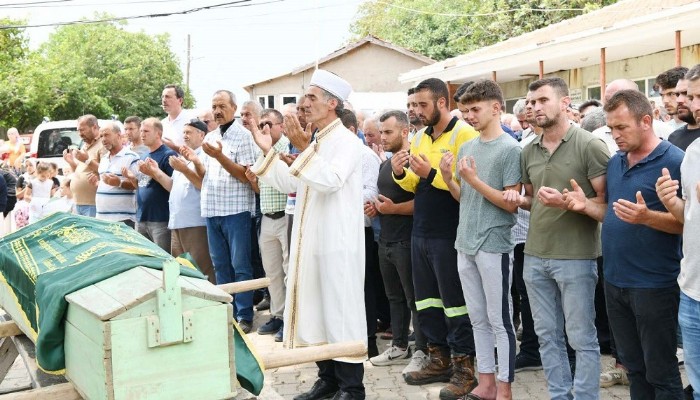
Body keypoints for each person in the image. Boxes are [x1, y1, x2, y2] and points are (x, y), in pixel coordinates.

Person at [249, 69, 367, 400]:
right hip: (310, 243)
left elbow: (329, 180)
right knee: (316, 311)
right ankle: (327, 379)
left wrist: (302, 148)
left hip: (336, 244)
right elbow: (293, 184)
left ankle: (352, 388)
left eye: (312, 97)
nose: (305, 103)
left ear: (333, 104)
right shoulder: (317, 141)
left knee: (340, 313)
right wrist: (267, 151)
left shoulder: (346, 142)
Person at [564, 89, 685, 399]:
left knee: (661, 371)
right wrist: (585, 206)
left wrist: (648, 218)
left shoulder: (674, 160)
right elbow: (615, 214)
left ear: (647, 121)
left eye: (621, 127)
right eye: (610, 128)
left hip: (654, 285)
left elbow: (688, 224)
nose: (614, 135)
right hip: (616, 282)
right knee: (633, 369)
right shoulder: (617, 161)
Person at [506, 77, 609, 400]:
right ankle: (559, 395)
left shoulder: (590, 145)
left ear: (565, 103)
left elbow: (607, 206)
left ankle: (585, 396)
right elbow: (533, 198)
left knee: (581, 337)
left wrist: (573, 203)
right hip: (535, 254)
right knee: (548, 336)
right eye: (531, 102)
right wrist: (513, 198)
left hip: (576, 256)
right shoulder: (529, 150)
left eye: (542, 100)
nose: (534, 107)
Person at [393, 78, 479, 400]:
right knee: (427, 300)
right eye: (412, 105)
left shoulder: (464, 134)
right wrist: (401, 173)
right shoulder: (418, 137)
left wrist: (430, 173)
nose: (414, 111)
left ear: (442, 102)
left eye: (421, 105)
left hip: (449, 231)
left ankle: (464, 368)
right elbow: (414, 185)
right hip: (421, 231)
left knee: (455, 304)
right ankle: (437, 357)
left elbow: (465, 187)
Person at [442, 80, 521, 400]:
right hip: (466, 242)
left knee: (500, 318)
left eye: (475, 109)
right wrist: (449, 179)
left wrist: (473, 179)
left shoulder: (511, 149)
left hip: (494, 244)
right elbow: (467, 198)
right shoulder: (467, 147)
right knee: (477, 318)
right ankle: (485, 382)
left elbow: (510, 202)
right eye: (464, 111)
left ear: (496, 108)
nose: (470, 116)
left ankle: (504, 387)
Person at [366, 110, 428, 374]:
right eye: (381, 132)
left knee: (416, 300)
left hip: (407, 241)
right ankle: (399, 346)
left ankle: (422, 351)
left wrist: (392, 210)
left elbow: (423, 205)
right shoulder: (384, 163)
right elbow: (386, 199)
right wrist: (377, 209)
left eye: (388, 132)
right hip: (386, 241)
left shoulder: (416, 162)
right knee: (394, 298)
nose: (382, 137)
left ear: (405, 132)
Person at [196, 90, 258, 333]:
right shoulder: (209, 137)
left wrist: (220, 156)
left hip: (236, 211)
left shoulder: (244, 137)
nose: (217, 111)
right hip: (212, 210)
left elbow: (245, 176)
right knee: (220, 265)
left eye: (222, 105)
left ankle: (244, 314)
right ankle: (227, 313)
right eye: (214, 106)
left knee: (240, 264)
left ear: (233, 107)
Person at [656, 64, 700, 400]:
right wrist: (671, 202)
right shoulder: (693, 152)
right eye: (689, 95)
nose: (691, 104)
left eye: (698, 96)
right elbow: (690, 218)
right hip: (691, 288)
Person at [144, 118, 215, 284]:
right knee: (182, 269)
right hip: (177, 222)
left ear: (202, 135)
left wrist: (184, 168)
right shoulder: (183, 157)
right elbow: (172, 187)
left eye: (189, 132)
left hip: (195, 222)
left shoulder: (204, 157)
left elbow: (202, 184)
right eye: (183, 132)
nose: (185, 136)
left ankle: (209, 306)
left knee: (201, 269)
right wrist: (155, 172)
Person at [245, 109, 291, 341]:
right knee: (272, 272)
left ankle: (291, 320)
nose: (264, 128)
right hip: (267, 218)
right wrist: (253, 182)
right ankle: (278, 315)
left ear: (281, 126)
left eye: (268, 124)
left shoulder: (288, 148)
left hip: (285, 217)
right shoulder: (260, 151)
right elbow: (261, 190)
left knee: (288, 271)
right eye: (261, 124)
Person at [126, 118, 177, 251]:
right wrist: (132, 179)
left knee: (164, 262)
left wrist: (154, 172)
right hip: (141, 218)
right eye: (141, 131)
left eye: (147, 131)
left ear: (158, 134)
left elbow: (174, 187)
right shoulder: (143, 156)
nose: (142, 134)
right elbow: (143, 185)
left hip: (160, 219)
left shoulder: (168, 154)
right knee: (145, 261)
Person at [91, 121, 139, 227]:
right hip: (101, 219)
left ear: (118, 135)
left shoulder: (131, 157)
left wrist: (119, 183)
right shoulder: (104, 159)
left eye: (107, 135)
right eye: (101, 136)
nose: (103, 139)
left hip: (123, 220)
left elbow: (138, 185)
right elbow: (108, 185)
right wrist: (98, 184)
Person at [64, 115, 102, 217]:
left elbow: (106, 170)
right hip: (78, 203)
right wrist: (71, 162)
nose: (80, 134)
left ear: (94, 127)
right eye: (78, 131)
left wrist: (86, 160)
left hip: (92, 204)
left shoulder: (103, 144)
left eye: (83, 130)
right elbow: (81, 171)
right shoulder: (85, 144)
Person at [161, 84, 192, 151]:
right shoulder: (162, 124)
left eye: (168, 97)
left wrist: (174, 147)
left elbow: (196, 150)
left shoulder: (190, 121)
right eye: (162, 97)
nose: (164, 100)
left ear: (180, 100)